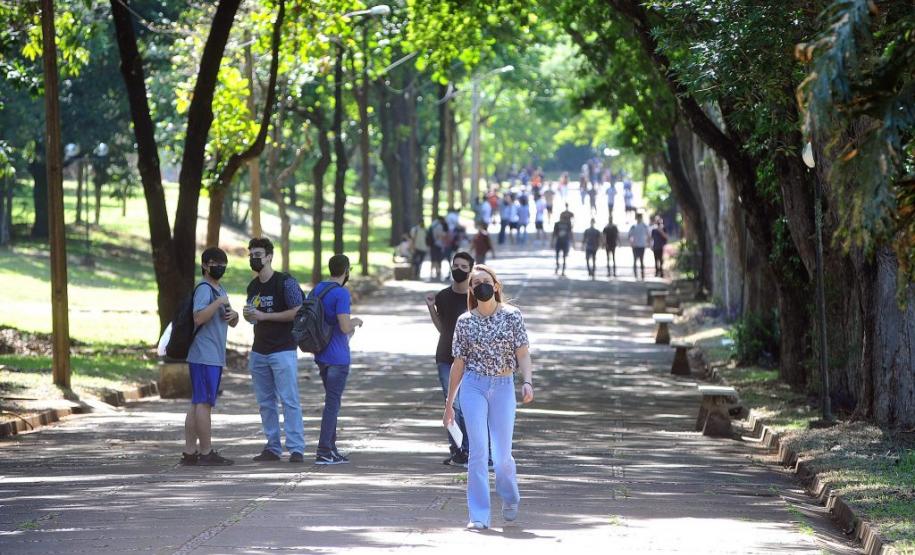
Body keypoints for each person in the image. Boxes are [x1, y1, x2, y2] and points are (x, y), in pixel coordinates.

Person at [443, 264, 534, 529]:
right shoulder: (465, 321)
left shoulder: (512, 316)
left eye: (486, 281)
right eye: (475, 282)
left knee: (502, 454)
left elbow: (523, 354)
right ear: (471, 290)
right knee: (479, 451)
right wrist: (449, 404)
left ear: (495, 285)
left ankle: (510, 496)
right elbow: (458, 364)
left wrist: (527, 382)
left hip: (504, 385)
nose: (481, 285)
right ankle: (478, 515)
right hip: (474, 386)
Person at [244, 238, 306, 463]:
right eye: (251, 254)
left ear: (269, 256)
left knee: (289, 399)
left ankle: (296, 448)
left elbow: (298, 311)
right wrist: (249, 315)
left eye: (258, 254)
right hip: (259, 350)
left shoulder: (285, 282)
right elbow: (254, 314)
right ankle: (272, 447)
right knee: (265, 402)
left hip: (283, 349)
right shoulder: (253, 286)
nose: (254, 258)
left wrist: (264, 316)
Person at [181, 247, 239, 467]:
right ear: (205, 265)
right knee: (204, 403)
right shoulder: (205, 288)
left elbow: (228, 319)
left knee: (197, 403)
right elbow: (198, 318)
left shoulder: (219, 288)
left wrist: (234, 316)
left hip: (211, 354)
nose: (219, 267)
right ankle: (205, 452)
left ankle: (189, 452)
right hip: (205, 355)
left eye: (223, 263)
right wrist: (217, 303)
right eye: (214, 263)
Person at [310, 254, 364, 464]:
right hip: (338, 356)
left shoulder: (318, 289)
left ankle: (331, 448)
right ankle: (324, 450)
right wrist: (356, 321)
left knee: (331, 401)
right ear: (346, 270)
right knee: (332, 404)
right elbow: (343, 326)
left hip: (321, 353)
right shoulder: (341, 293)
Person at [425, 252, 474, 467]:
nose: (459, 270)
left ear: (471, 270)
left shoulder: (475, 297)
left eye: (464, 267)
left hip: (471, 360)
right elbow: (442, 327)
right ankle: (457, 451)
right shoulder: (443, 296)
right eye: (456, 265)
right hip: (446, 356)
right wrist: (431, 308)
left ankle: (468, 449)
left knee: (466, 404)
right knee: (451, 403)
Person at [628, 213, 650, 280]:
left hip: (642, 245)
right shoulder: (633, 226)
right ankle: (635, 275)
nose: (639, 219)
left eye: (640, 217)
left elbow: (648, 235)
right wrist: (631, 243)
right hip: (635, 245)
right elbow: (629, 235)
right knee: (635, 260)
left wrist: (648, 243)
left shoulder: (644, 226)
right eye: (638, 217)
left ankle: (642, 274)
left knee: (641, 260)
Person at [429, 217, 448, 281]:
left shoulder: (432, 225)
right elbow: (441, 235)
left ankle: (431, 272)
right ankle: (438, 272)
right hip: (438, 244)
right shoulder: (439, 226)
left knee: (433, 259)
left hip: (432, 244)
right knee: (438, 259)